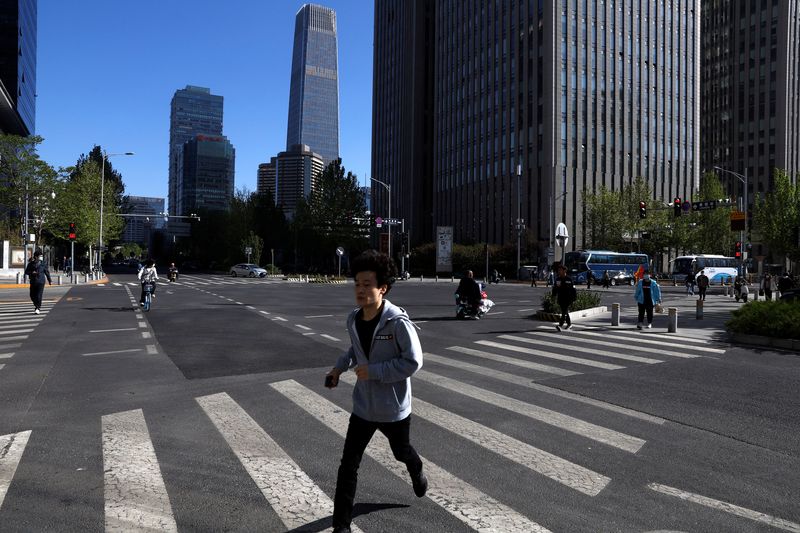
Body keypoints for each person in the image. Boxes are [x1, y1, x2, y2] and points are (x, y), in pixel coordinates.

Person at [325, 250, 426, 533]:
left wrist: (376, 372)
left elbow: (413, 361)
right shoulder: (353, 320)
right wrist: (337, 370)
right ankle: (341, 526)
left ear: (382, 288)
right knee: (348, 466)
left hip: (393, 409)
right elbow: (354, 351)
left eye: (367, 284)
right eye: (357, 283)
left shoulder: (398, 323)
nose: (360, 289)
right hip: (363, 408)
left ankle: (416, 468)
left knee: (401, 452)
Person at [24, 249, 52, 314]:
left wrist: (49, 280)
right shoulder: (31, 264)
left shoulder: (43, 263)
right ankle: (36, 304)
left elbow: (47, 272)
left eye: (41, 256)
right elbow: (26, 272)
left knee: (39, 295)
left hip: (41, 281)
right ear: (36, 256)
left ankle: (37, 307)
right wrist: (32, 272)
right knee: (32, 295)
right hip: (33, 281)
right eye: (39, 256)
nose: (40, 257)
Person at [552, 264, 577, 331]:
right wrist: (553, 296)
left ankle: (560, 325)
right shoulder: (558, 279)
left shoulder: (569, 279)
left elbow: (573, 290)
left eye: (560, 270)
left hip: (568, 299)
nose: (559, 271)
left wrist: (574, 299)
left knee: (564, 311)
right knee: (564, 311)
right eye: (558, 270)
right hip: (560, 298)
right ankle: (569, 324)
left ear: (564, 270)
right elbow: (555, 289)